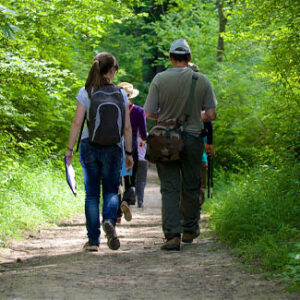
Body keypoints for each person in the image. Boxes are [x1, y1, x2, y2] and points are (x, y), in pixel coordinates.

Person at [144, 39, 217, 251]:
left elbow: (148, 112)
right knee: (192, 186)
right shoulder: (202, 80)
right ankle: (189, 229)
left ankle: (172, 235)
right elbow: (211, 114)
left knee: (169, 188)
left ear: (170, 57)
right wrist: (195, 115)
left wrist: (167, 118)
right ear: (189, 58)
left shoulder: (159, 78)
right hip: (193, 139)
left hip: (166, 140)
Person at [65, 52, 133, 252]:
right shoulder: (121, 94)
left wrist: (69, 149)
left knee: (92, 194)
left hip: (89, 146)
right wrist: (129, 153)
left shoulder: (87, 91)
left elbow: (77, 122)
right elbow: (127, 128)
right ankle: (110, 221)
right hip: (113, 147)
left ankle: (93, 241)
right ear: (111, 71)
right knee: (111, 190)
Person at [118, 82, 147, 207]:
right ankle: (130, 194)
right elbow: (143, 130)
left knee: (119, 173)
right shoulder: (139, 111)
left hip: (117, 142)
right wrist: (144, 141)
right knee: (131, 173)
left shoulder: (117, 109)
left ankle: (120, 201)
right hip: (132, 142)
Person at [135, 135, 149, 208]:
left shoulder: (132, 135)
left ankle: (132, 198)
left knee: (134, 180)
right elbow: (149, 149)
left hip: (134, 160)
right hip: (144, 161)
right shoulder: (146, 136)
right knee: (142, 181)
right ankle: (140, 201)